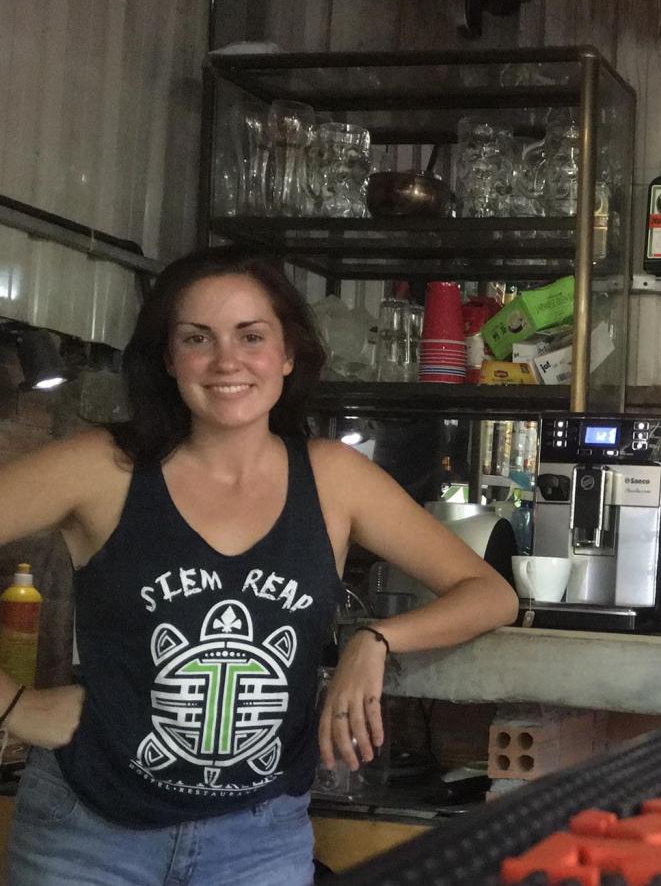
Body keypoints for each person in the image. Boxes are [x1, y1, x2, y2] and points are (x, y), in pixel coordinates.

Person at [0, 246, 518, 885]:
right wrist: (13, 706)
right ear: (168, 358)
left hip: (257, 841)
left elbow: (490, 594)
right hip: (88, 834)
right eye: (198, 338)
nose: (227, 361)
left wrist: (377, 639)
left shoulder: (333, 478)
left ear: (287, 354)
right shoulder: (102, 467)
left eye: (251, 336)